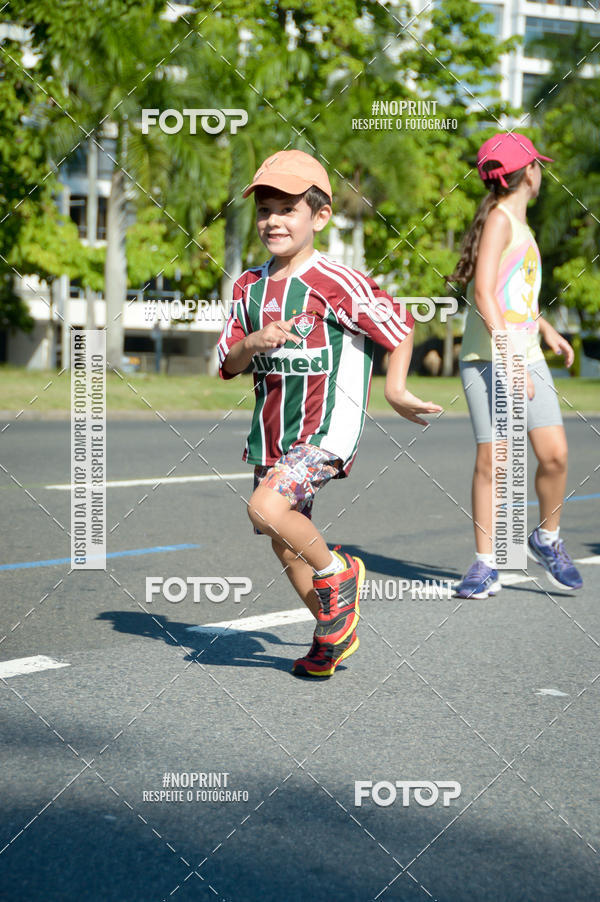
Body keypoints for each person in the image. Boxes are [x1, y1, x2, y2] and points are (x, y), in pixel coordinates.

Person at [218, 149, 442, 676]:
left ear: (318, 217)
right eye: (265, 209)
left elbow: (399, 325)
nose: (274, 220)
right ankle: (332, 633)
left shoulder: (335, 281)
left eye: (288, 209)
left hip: (325, 430)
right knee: (284, 543)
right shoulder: (248, 286)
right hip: (272, 433)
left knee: (265, 509)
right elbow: (228, 361)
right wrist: (255, 340)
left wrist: (395, 389)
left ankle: (341, 571)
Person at [450, 132, 582, 598]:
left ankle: (546, 539)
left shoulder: (518, 225)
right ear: (530, 172)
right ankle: (486, 564)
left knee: (555, 455)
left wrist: (545, 331)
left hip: (524, 354)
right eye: (538, 165)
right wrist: (512, 359)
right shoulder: (501, 221)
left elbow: (513, 296)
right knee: (494, 459)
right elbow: (484, 293)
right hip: (489, 359)